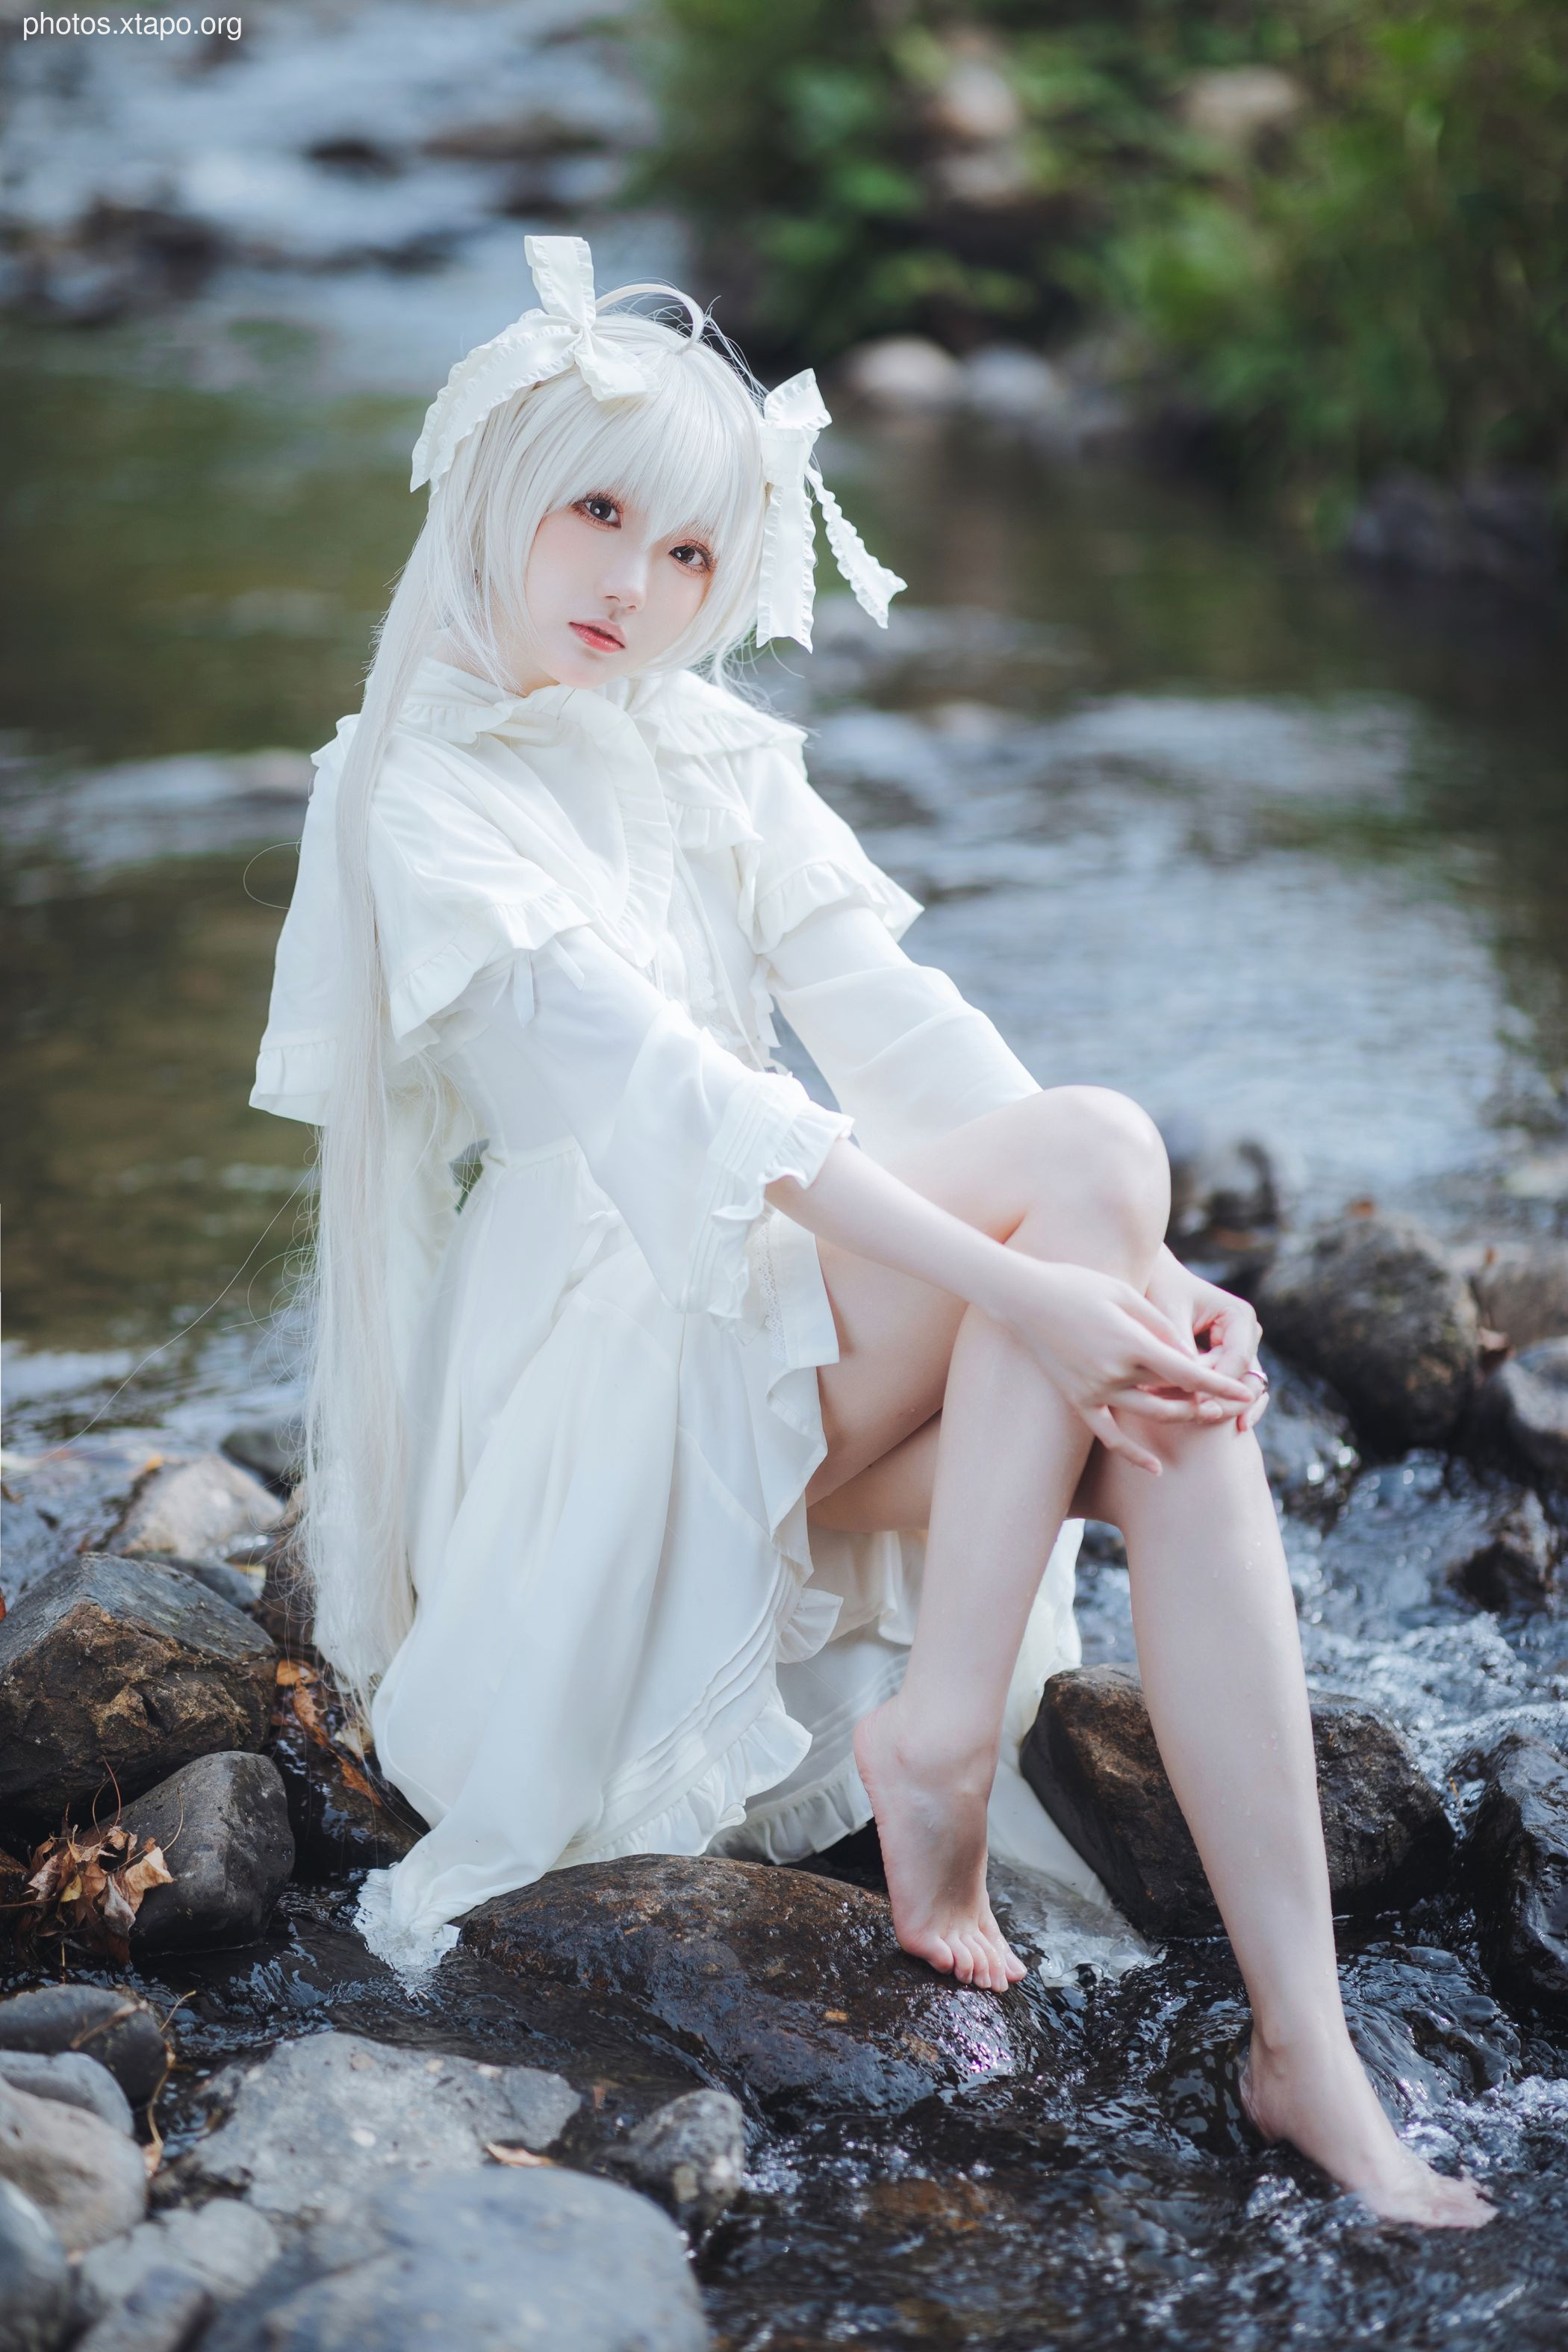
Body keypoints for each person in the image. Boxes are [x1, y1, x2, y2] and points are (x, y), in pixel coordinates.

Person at [252, 235, 1492, 2228]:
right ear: (496, 491)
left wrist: (1137, 1292)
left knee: (1166, 1399)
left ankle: (1302, 2044)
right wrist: (1034, 1281)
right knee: (1081, 1203)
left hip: (775, 1312)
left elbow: (916, 1054)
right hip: (604, 1370)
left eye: (686, 556)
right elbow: (679, 1105)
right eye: (596, 515)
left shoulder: (709, 750)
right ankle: (940, 1747)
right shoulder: (409, 793)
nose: (635, 589)